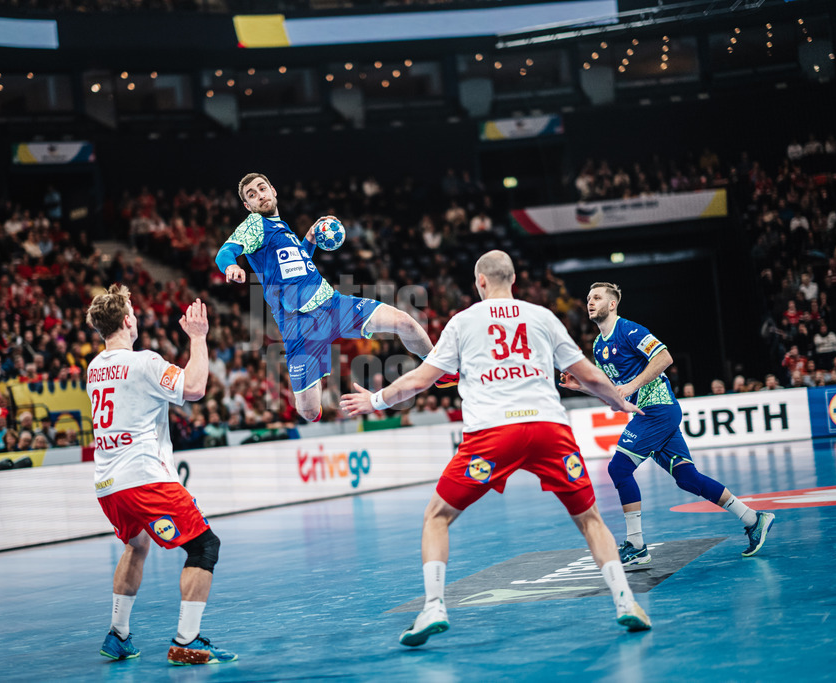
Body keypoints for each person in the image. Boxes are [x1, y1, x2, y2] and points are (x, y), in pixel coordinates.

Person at [340, 251, 651, 647]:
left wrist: (376, 401)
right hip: (547, 429)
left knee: (436, 517)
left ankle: (434, 606)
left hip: (492, 434)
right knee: (590, 519)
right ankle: (626, 602)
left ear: (480, 282)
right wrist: (618, 401)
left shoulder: (463, 322)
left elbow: (419, 379)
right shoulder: (542, 317)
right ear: (514, 279)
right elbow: (585, 373)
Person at [215, 173, 458, 422]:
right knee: (308, 412)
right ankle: (317, 377)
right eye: (251, 195)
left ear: (273, 191)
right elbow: (225, 252)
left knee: (404, 322)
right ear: (248, 206)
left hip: (332, 304)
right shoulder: (255, 224)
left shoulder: (282, 229)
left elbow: (298, 265)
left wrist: (308, 240)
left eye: (262, 188)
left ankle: (442, 371)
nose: (259, 195)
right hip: (300, 326)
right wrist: (230, 267)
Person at [561, 282, 775, 566]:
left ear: (612, 304)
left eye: (597, 297)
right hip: (646, 414)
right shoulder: (599, 346)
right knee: (688, 478)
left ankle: (636, 544)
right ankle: (753, 518)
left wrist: (631, 385)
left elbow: (664, 357)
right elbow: (610, 392)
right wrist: (582, 387)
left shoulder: (630, 330)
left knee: (618, 468)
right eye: (588, 298)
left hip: (657, 409)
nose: (590, 302)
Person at [84, 285, 236, 666]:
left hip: (108, 484)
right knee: (204, 547)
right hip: (144, 478)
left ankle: (118, 634)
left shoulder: (94, 368)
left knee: (137, 545)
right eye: (132, 310)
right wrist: (198, 339)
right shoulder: (144, 362)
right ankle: (188, 641)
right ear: (127, 321)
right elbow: (196, 387)